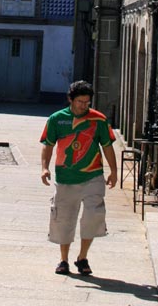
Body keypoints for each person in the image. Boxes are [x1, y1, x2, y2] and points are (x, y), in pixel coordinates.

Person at [40, 80, 118, 276]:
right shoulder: (56, 119)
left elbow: (107, 146)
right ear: (70, 100)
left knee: (93, 215)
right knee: (64, 219)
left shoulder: (98, 120)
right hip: (66, 177)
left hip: (93, 176)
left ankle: (82, 257)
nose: (84, 106)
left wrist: (114, 171)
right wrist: (44, 168)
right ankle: (63, 260)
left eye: (87, 102)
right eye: (80, 102)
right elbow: (48, 145)